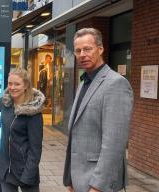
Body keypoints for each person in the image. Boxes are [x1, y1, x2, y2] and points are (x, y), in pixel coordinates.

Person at [63, 28, 134, 192]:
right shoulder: (85, 81)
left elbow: (115, 143)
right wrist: (72, 180)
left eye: (88, 49)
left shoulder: (116, 83)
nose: (82, 54)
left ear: (100, 49)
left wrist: (97, 187)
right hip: (79, 178)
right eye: (78, 50)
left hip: (97, 182)